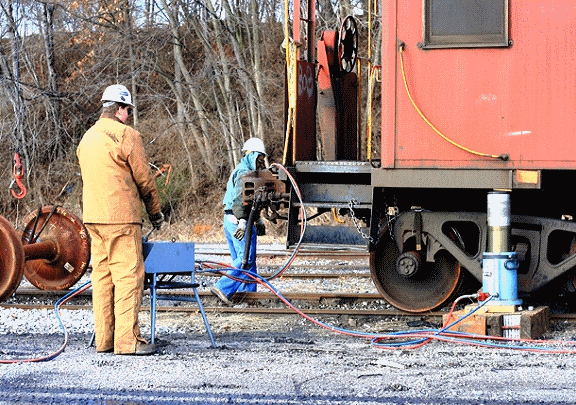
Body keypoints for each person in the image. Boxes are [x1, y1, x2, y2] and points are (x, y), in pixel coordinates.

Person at [77, 84, 164, 355]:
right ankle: (127, 342)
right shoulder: (127, 135)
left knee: (102, 280)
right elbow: (144, 179)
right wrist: (155, 212)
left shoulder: (87, 138)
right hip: (121, 219)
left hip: (93, 219)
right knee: (128, 277)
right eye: (128, 111)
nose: (129, 116)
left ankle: (105, 341)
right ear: (119, 109)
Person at [211, 138, 267, 305]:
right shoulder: (244, 173)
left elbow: (250, 201)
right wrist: (243, 221)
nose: (260, 164)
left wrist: (258, 219)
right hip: (238, 221)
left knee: (245, 261)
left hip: (231, 220)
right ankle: (223, 288)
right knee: (245, 259)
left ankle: (247, 297)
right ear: (251, 155)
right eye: (259, 159)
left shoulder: (244, 171)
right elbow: (239, 200)